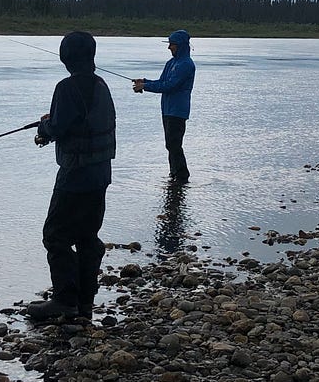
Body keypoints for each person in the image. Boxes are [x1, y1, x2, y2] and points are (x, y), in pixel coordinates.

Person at [27, 30, 116, 323]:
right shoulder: (102, 85)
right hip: (101, 174)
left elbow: (60, 128)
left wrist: (44, 129)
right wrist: (52, 125)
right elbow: (81, 122)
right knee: (87, 236)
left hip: (75, 175)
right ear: (91, 55)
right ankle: (84, 300)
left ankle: (65, 299)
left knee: (55, 235)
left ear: (66, 58)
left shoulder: (66, 88)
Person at [133, 29, 196, 182]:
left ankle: (181, 176)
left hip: (178, 111)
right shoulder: (171, 63)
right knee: (170, 144)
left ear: (180, 45)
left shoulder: (186, 65)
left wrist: (145, 87)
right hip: (167, 110)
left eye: (172, 45)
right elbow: (162, 82)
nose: (169, 48)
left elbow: (169, 86)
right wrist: (144, 82)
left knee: (174, 144)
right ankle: (174, 175)